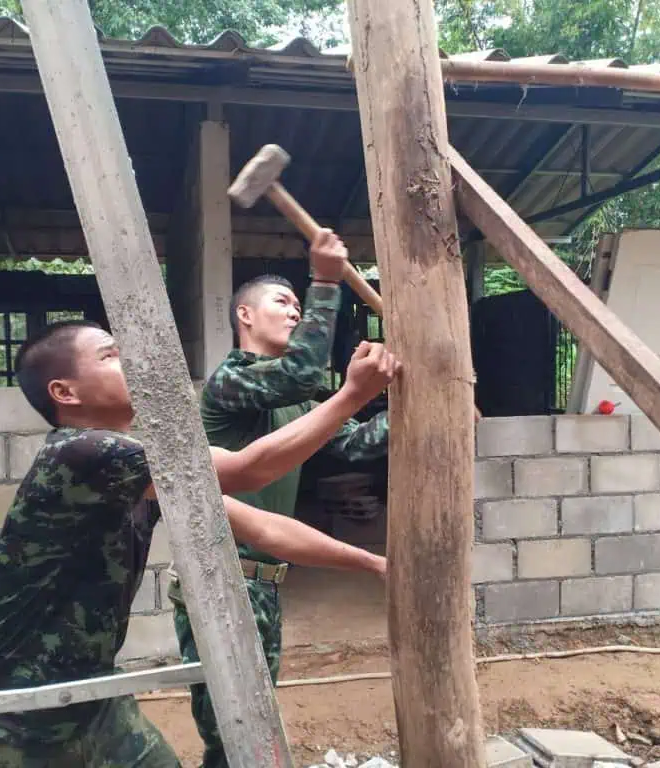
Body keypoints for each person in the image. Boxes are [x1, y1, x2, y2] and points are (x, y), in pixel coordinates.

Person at [0, 317, 401, 768]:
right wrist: (352, 396)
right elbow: (249, 469)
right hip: (16, 716)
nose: (132, 363)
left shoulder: (136, 470)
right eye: (110, 356)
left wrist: (376, 565)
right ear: (66, 392)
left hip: (96, 698)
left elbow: (263, 528)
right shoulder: (81, 452)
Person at [170, 230, 391, 768]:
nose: (294, 313)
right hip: (222, 575)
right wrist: (323, 280)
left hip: (264, 580)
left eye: (298, 305)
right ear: (245, 315)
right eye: (282, 302)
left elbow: (355, 443)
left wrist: (419, 400)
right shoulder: (230, 381)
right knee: (233, 727)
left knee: (253, 718)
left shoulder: (300, 402)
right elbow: (302, 374)